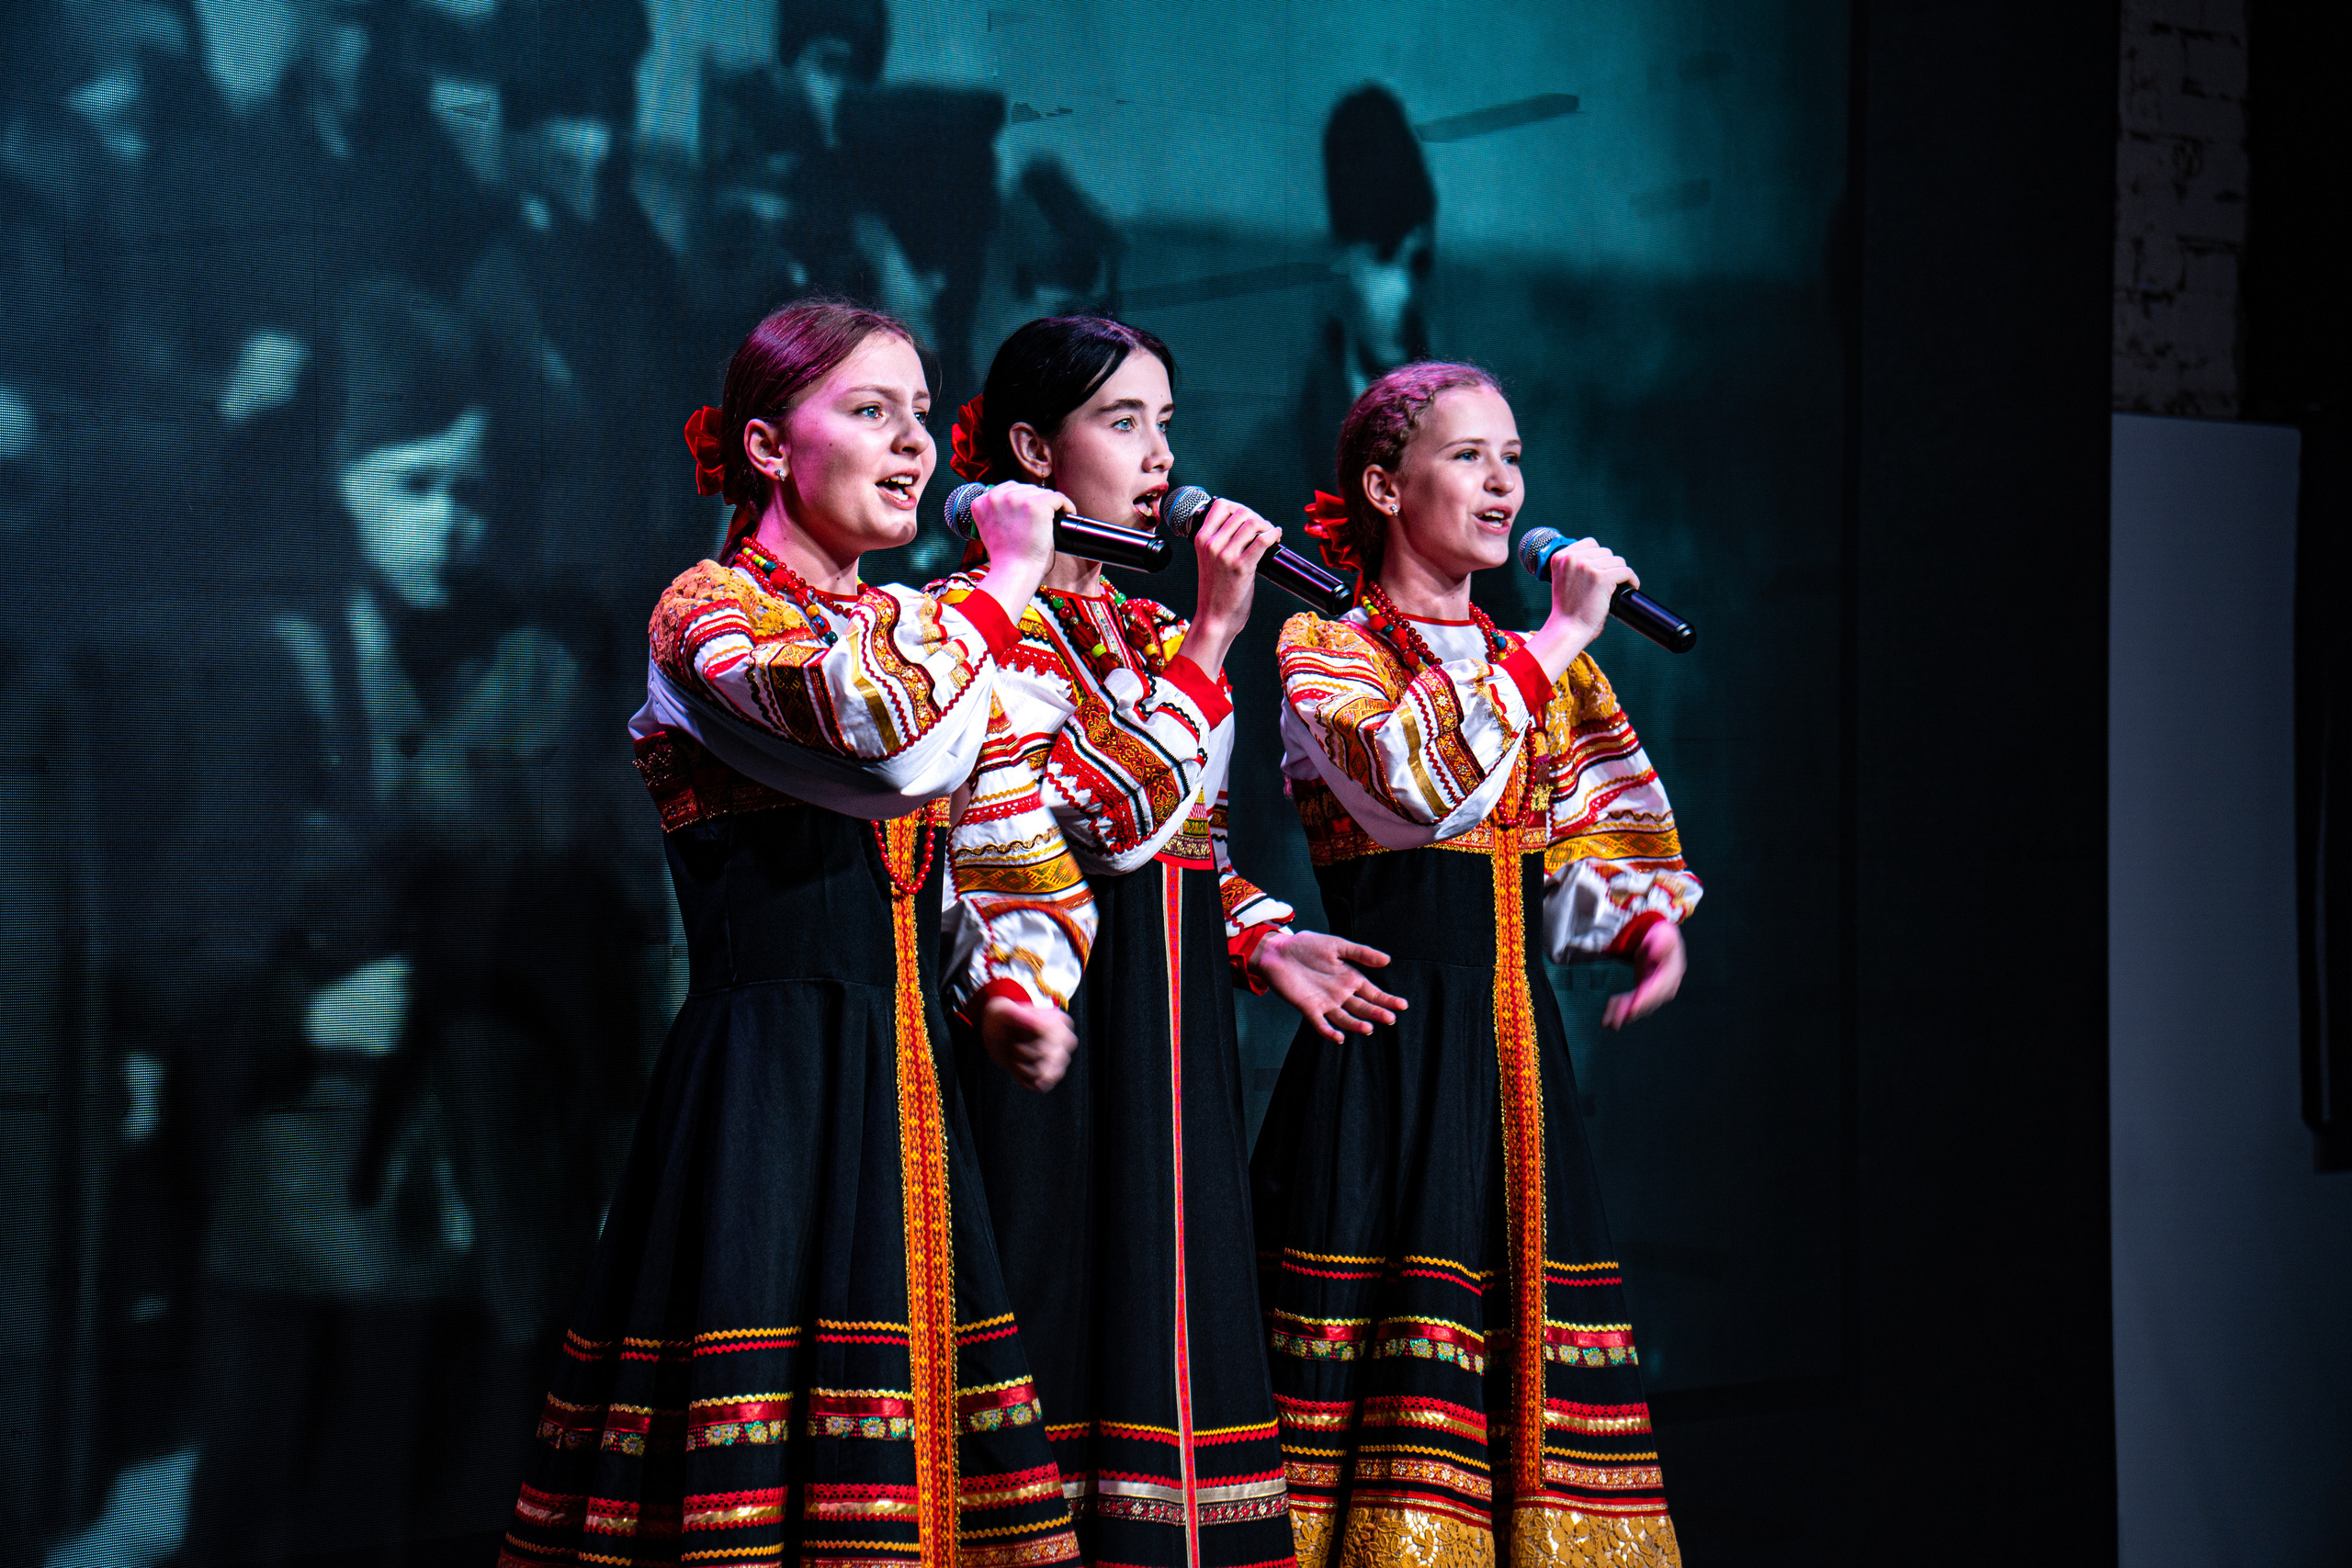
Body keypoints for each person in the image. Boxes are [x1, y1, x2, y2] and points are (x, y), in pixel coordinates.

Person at [498, 300, 1095, 1568]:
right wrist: (1003, 588)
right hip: (764, 1080)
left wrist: (1019, 982)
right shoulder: (708, 614)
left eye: (924, 415)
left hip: (908, 1081)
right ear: (770, 448)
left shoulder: (929, 630)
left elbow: (1007, 835)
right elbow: (866, 727)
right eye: (872, 411)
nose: (916, 445)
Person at [933, 314, 1407, 1568]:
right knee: (1058, 1297)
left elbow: (1193, 837)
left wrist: (1261, 940)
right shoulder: (983, 624)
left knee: (1179, 1311)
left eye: (1167, 426)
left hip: (1177, 1014)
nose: (1159, 458)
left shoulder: (1142, 631)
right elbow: (1096, 819)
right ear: (1034, 448)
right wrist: (1212, 636)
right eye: (1123, 422)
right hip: (1064, 1011)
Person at [1253, 362, 1702, 1568]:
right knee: (1384, 1364)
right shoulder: (1328, 649)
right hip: (1391, 1051)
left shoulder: (1534, 662)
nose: (1503, 482)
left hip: (1514, 1061)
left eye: (1512, 456)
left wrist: (1642, 925)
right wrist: (1555, 636)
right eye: (1468, 457)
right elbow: (1418, 789)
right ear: (1385, 487)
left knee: (1527, 1367)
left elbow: (1589, 830)